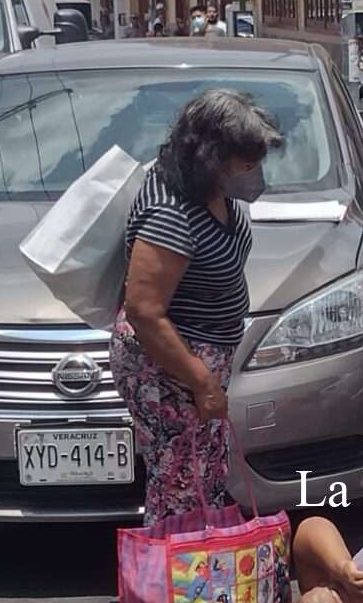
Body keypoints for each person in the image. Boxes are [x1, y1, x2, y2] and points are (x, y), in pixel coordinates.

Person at [111, 90, 283, 522]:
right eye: (246, 165)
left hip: (199, 365)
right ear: (212, 160)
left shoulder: (211, 191)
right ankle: (176, 582)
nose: (255, 175)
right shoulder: (170, 212)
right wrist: (202, 381)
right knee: (179, 486)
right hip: (170, 371)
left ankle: (200, 579)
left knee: (203, 475)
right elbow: (145, 311)